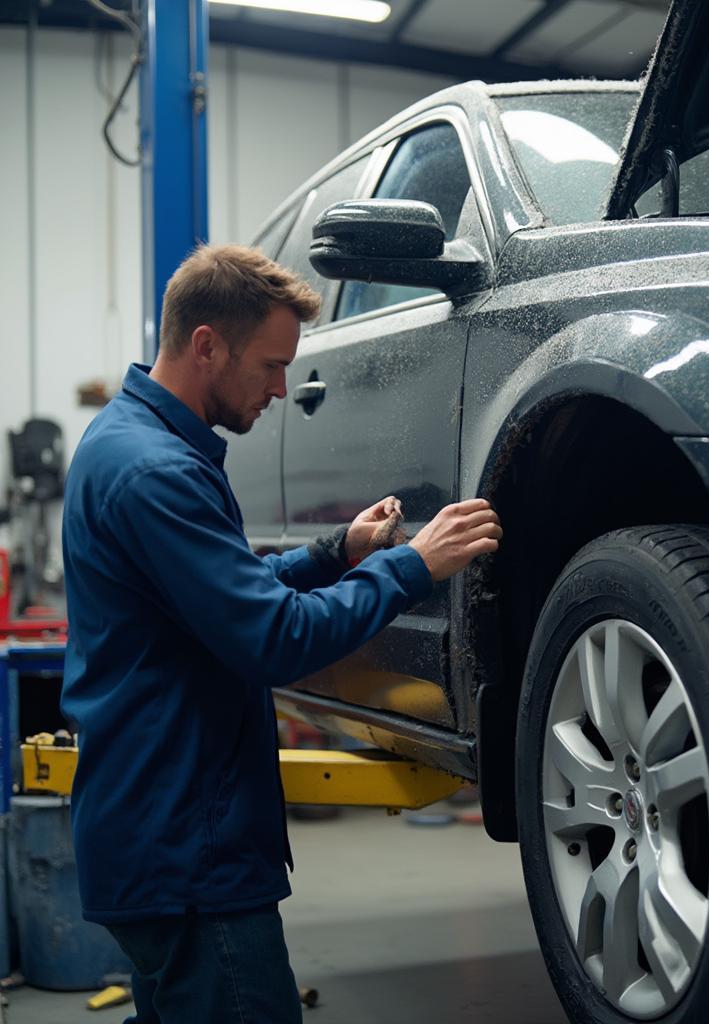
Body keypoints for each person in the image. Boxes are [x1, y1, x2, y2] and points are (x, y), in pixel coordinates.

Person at [60, 244, 502, 1023]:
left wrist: (339, 553)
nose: (282, 388)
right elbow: (272, 638)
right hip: (188, 855)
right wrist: (413, 568)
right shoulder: (156, 473)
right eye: (270, 365)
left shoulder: (139, 445)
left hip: (159, 835)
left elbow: (222, 593)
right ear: (206, 344)